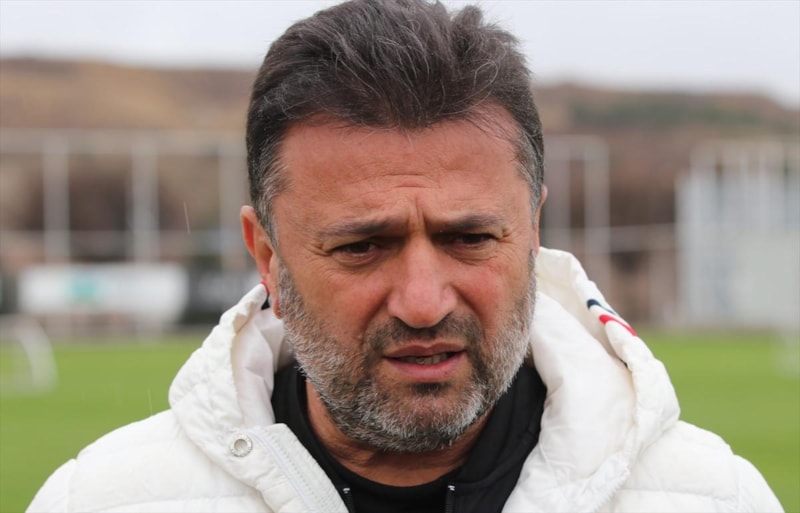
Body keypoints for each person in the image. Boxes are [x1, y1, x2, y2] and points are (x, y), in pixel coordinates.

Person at [28, 0, 783, 512]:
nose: (423, 302)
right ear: (268, 258)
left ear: (532, 233)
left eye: (470, 239)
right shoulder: (102, 499)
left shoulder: (710, 497)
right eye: (362, 246)